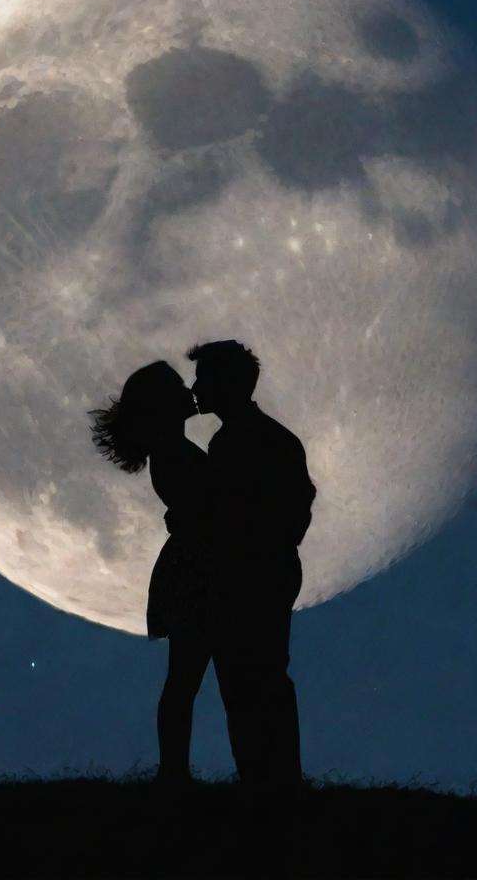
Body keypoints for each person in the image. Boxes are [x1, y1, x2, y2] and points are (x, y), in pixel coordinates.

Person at [187, 339, 317, 801]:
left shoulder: (243, 441)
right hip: (264, 570)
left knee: (251, 680)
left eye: (204, 378)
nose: (196, 387)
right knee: (258, 679)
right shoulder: (265, 437)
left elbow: (278, 510)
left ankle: (270, 785)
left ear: (228, 383)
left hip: (251, 574)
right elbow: (300, 506)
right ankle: (274, 783)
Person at [87, 361, 213, 789]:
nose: (187, 391)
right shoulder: (172, 453)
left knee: (185, 675)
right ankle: (173, 771)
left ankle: (173, 771)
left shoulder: (172, 450)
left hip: (191, 566)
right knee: (185, 676)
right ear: (162, 404)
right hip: (197, 569)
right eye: (178, 387)